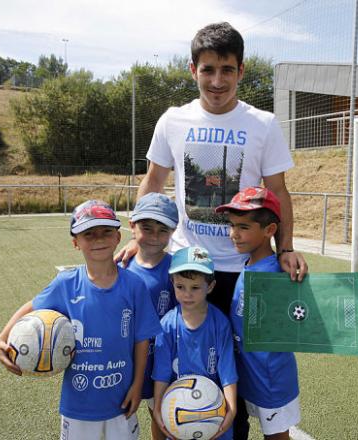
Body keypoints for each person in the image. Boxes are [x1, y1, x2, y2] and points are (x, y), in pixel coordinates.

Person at [116, 21, 308, 320]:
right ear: (193, 70)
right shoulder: (172, 120)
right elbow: (153, 181)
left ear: (240, 71)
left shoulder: (264, 124)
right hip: (187, 264)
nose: (217, 81)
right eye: (208, 69)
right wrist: (135, 237)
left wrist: (285, 249)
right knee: (185, 356)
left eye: (227, 70)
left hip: (245, 266)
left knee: (245, 358)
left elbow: (278, 191)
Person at [0, 199, 162, 440]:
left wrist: (137, 385)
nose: (99, 239)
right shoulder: (66, 284)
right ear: (76, 242)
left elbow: (142, 340)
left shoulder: (134, 285)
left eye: (106, 232)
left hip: (122, 397)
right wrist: (1, 338)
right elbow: (32, 306)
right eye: (89, 234)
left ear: (117, 237)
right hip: (79, 402)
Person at [215, 187, 301, 440]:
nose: (234, 234)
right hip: (251, 375)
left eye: (243, 227)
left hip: (272, 380)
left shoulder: (274, 273)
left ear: (269, 230)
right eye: (232, 226)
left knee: (276, 437)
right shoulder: (251, 262)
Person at [152, 246, 238, 440]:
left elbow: (227, 372)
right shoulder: (166, 325)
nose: (187, 294)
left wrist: (231, 410)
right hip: (179, 416)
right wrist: (158, 408)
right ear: (172, 283)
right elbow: (162, 373)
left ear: (211, 286)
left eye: (195, 287)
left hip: (215, 415)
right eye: (180, 287)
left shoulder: (220, 324)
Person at [121, 192, 179, 440]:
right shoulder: (120, 268)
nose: (155, 236)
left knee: (161, 412)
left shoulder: (177, 268)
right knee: (126, 411)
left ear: (173, 231)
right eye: (147, 228)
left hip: (163, 360)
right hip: (128, 360)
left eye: (162, 230)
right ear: (132, 226)